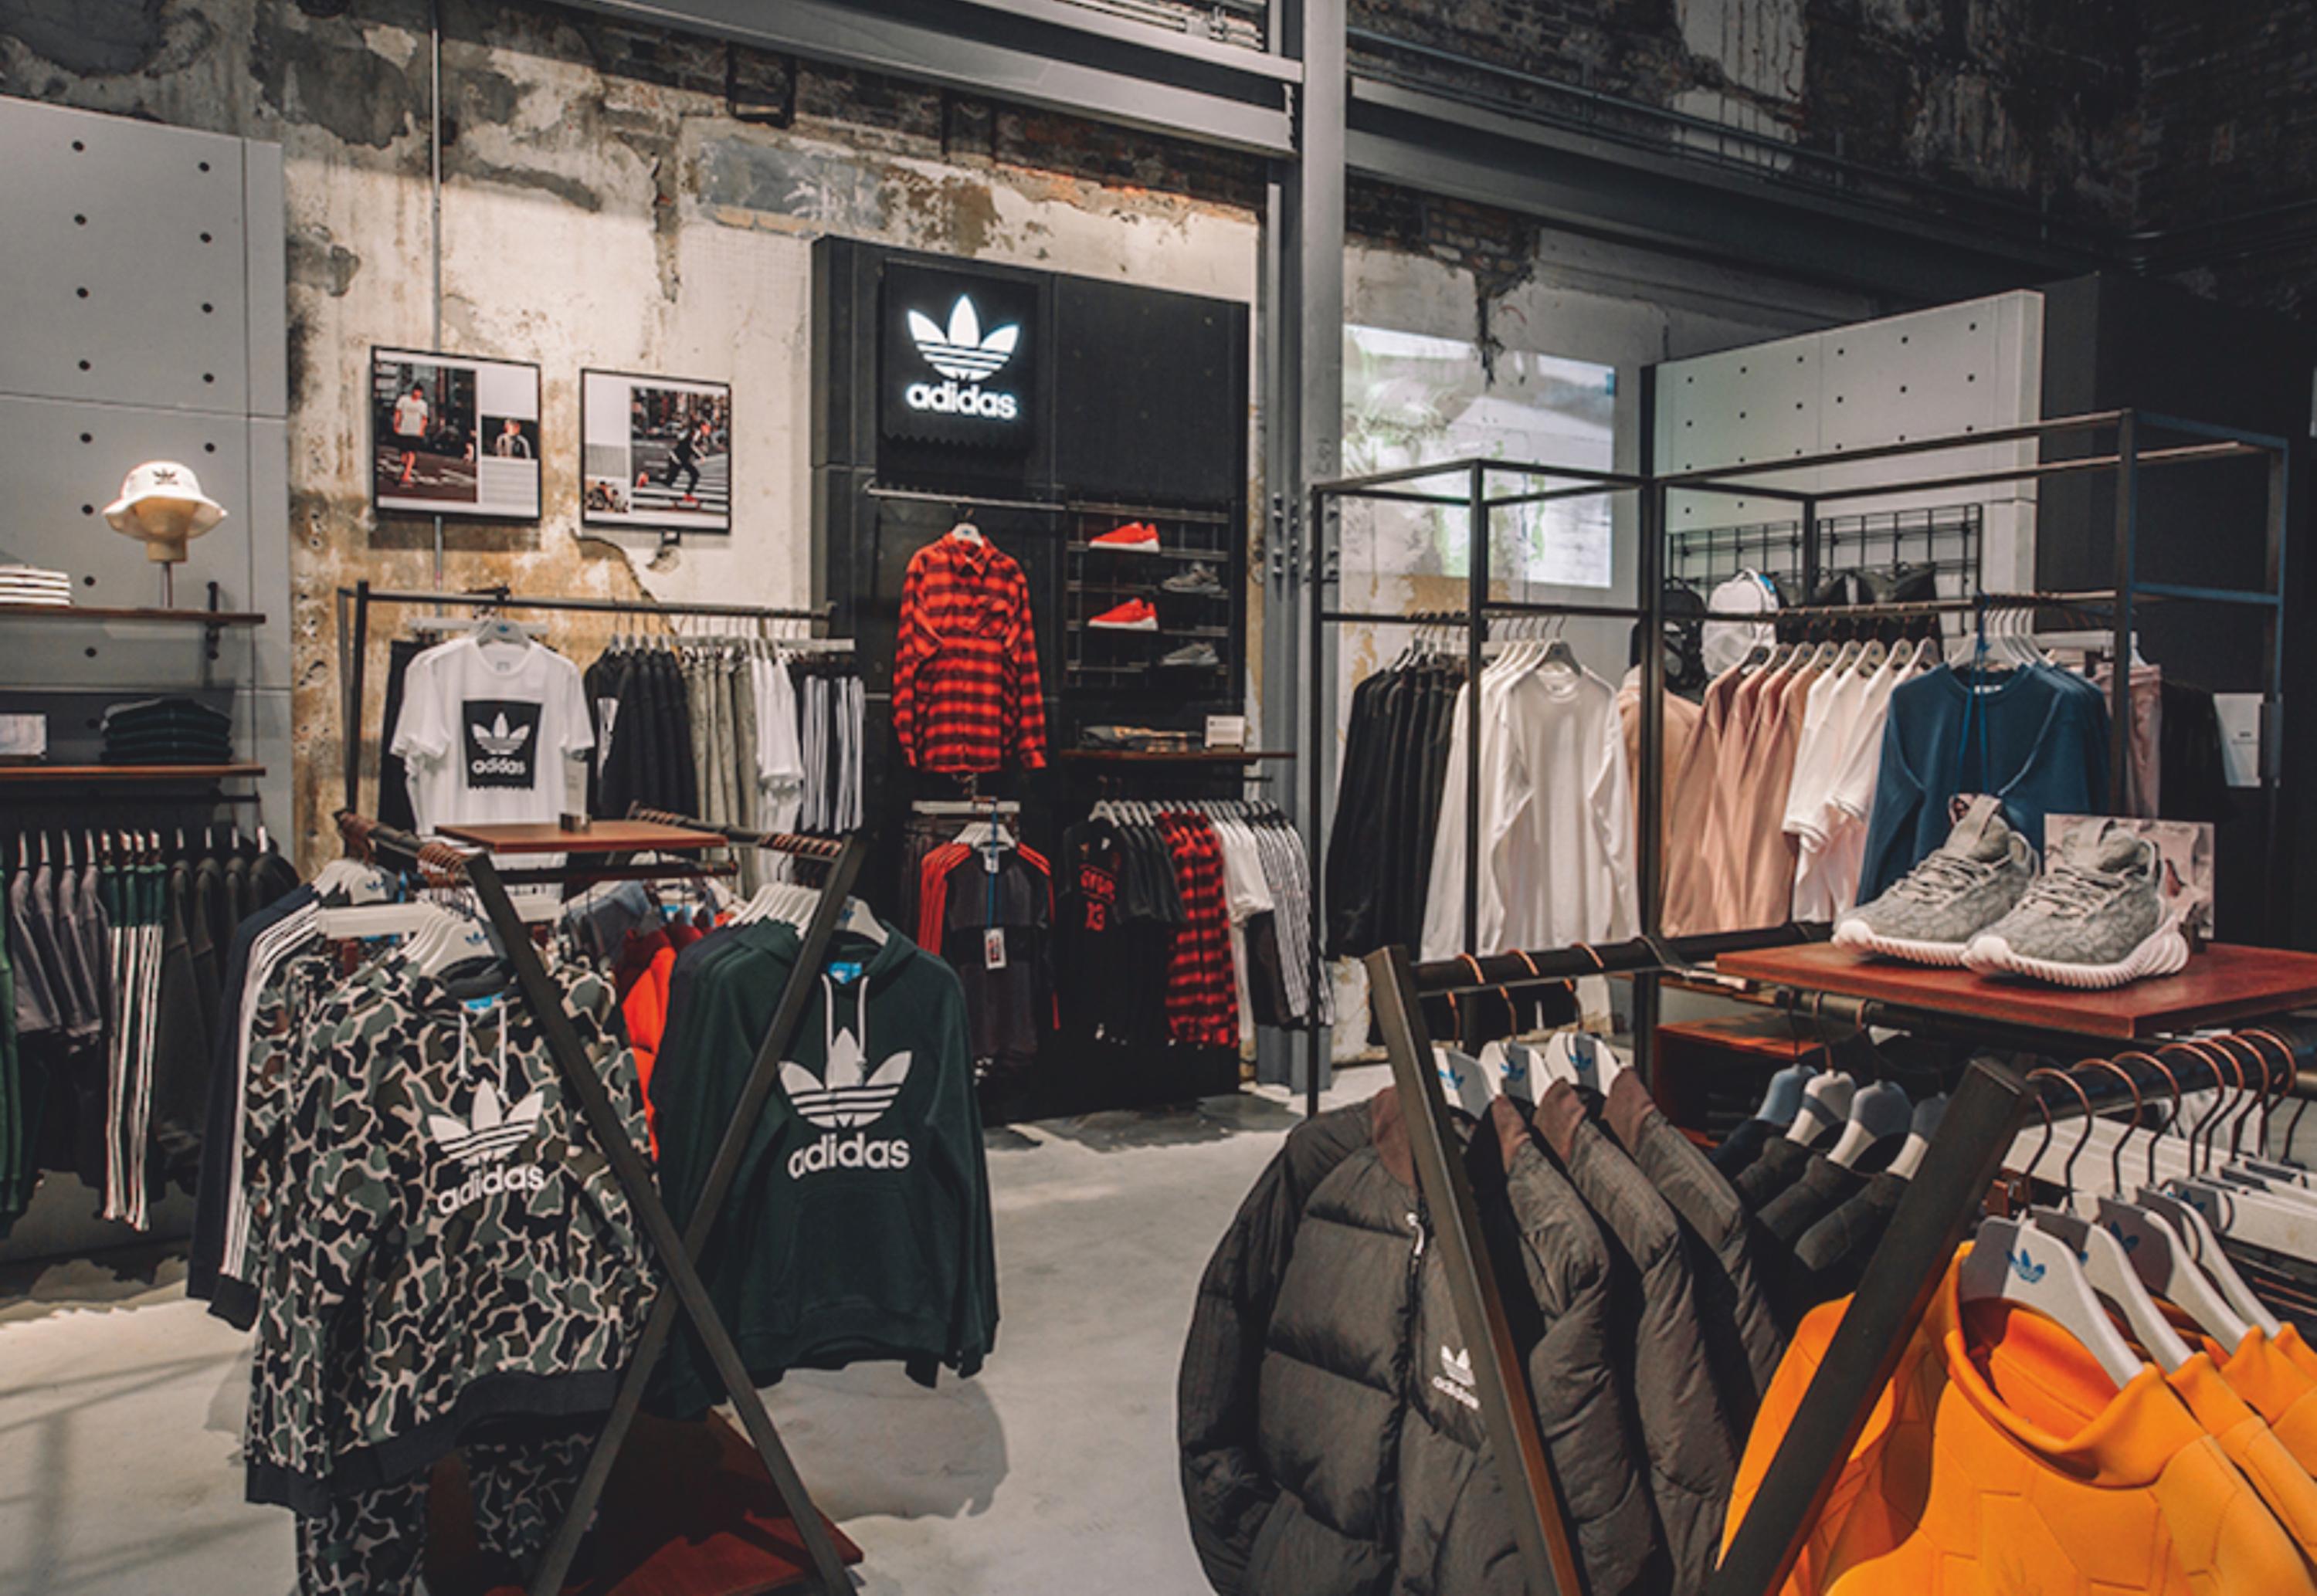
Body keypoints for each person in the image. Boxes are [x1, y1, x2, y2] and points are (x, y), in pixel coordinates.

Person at [392, 381, 429, 488]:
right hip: (403, 430)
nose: (418, 394)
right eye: (416, 391)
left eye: (420, 392)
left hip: (415, 432)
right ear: (413, 391)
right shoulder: (404, 400)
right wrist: (396, 424)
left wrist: (422, 430)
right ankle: (403, 469)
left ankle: (406, 476)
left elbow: (424, 419)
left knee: (412, 453)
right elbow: (398, 412)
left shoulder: (423, 404)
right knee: (403, 455)